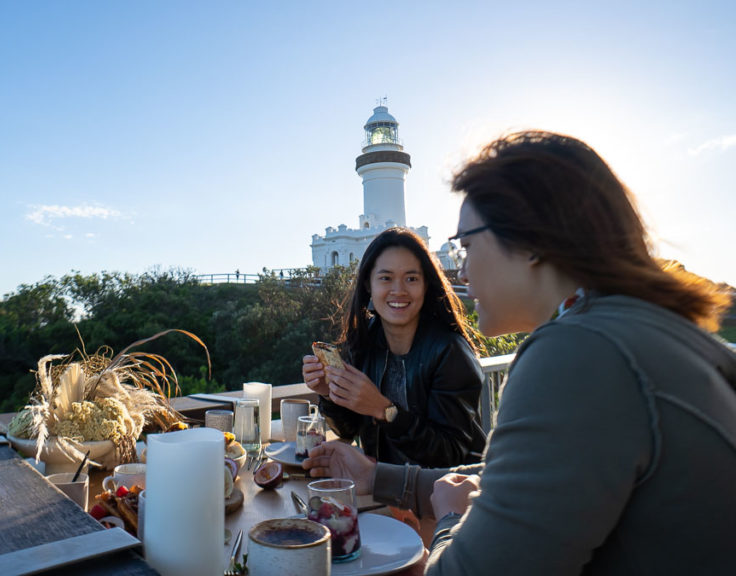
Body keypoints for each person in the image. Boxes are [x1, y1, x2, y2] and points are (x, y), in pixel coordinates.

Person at [303, 131, 736, 575]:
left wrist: (451, 521)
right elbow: (509, 478)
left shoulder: (576, 355)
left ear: (530, 241)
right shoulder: (638, 330)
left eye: (468, 244)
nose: (463, 270)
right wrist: (377, 477)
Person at [301, 227, 487, 469]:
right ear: (368, 284)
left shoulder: (449, 352)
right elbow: (348, 430)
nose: (398, 290)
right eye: (386, 278)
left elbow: (449, 455)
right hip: (383, 495)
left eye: (411, 278)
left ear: (426, 285)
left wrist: (384, 409)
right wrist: (330, 392)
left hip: (450, 499)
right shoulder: (364, 344)